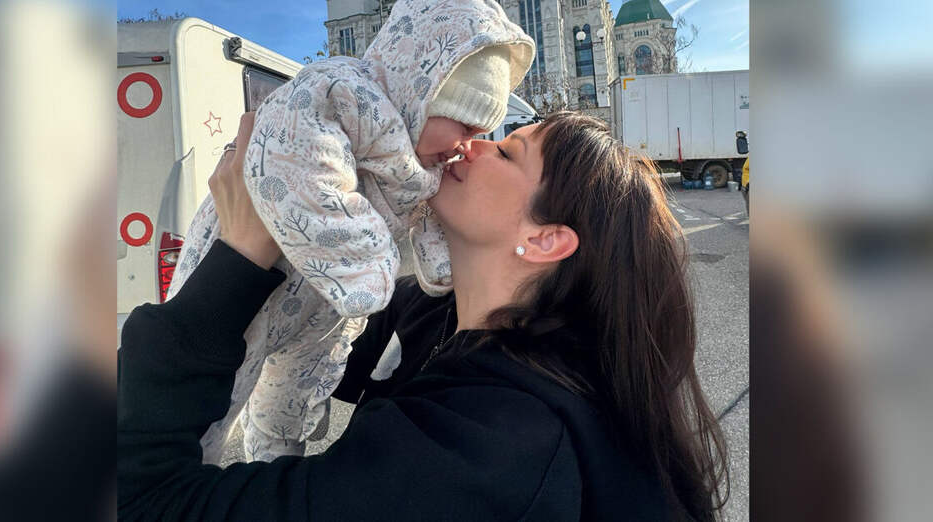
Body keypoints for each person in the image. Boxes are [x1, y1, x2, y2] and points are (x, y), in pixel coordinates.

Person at [118, 111, 729, 520]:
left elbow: (143, 501)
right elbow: (309, 336)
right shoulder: (435, 314)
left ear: (545, 240)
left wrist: (238, 252)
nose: (474, 143)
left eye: (507, 151)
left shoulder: (494, 450)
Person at [165, 0, 535, 463]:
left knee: (288, 408)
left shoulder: (424, 163)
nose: (468, 144)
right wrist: (364, 265)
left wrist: (443, 266)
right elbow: (298, 161)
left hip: (321, 306)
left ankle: (278, 459)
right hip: (250, 283)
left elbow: (428, 215)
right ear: (423, 93)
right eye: (465, 126)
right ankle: (183, 476)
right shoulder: (340, 91)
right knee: (212, 405)